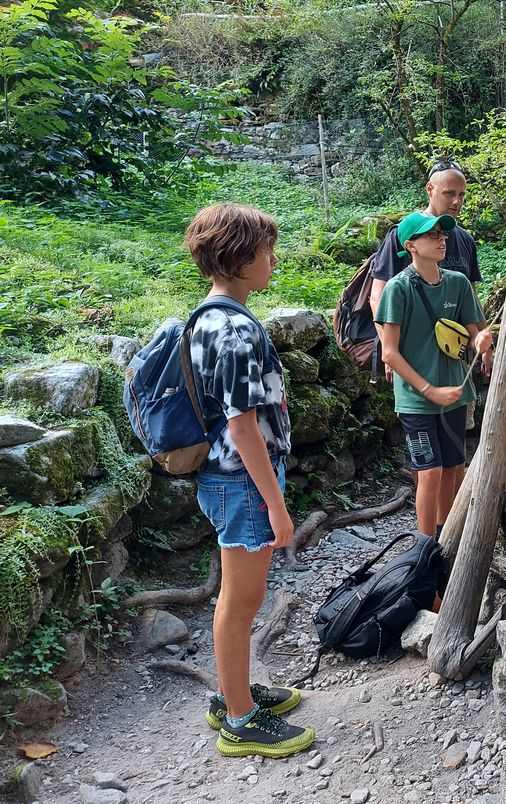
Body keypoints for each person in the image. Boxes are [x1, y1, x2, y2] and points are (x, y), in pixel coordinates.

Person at [182, 203, 316, 759]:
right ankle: (238, 719)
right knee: (241, 601)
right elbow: (242, 427)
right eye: (266, 252)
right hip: (241, 481)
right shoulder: (235, 330)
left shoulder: (206, 317)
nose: (273, 261)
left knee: (238, 598)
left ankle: (234, 693)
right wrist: (276, 505)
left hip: (226, 478)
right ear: (237, 258)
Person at [375, 211, 492, 542]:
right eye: (432, 235)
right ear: (411, 245)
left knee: (453, 468)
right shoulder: (398, 289)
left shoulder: (458, 283)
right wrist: (429, 390)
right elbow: (389, 353)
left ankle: (446, 539)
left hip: (455, 393)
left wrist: (482, 343)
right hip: (416, 400)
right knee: (429, 472)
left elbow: (475, 333)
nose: (442, 239)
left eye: (443, 234)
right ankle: (424, 547)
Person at [369, 160, 493, 380]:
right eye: (449, 193)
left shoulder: (465, 240)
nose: (456, 201)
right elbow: (377, 297)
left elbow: (472, 299)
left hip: (456, 353)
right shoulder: (404, 235)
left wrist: (485, 346)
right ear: (430, 189)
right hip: (412, 355)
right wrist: (391, 350)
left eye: (462, 195)